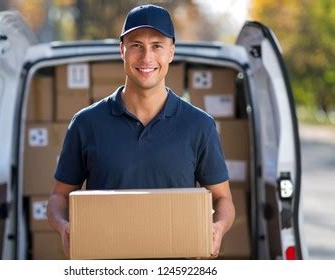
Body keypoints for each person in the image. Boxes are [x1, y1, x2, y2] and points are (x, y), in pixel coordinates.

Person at [47, 4, 235, 259]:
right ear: (122, 50)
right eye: (136, 45)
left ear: (171, 51)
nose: (147, 57)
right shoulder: (86, 123)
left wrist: (218, 228)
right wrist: (65, 227)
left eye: (157, 45)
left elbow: (223, 200)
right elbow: (58, 197)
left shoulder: (199, 125)